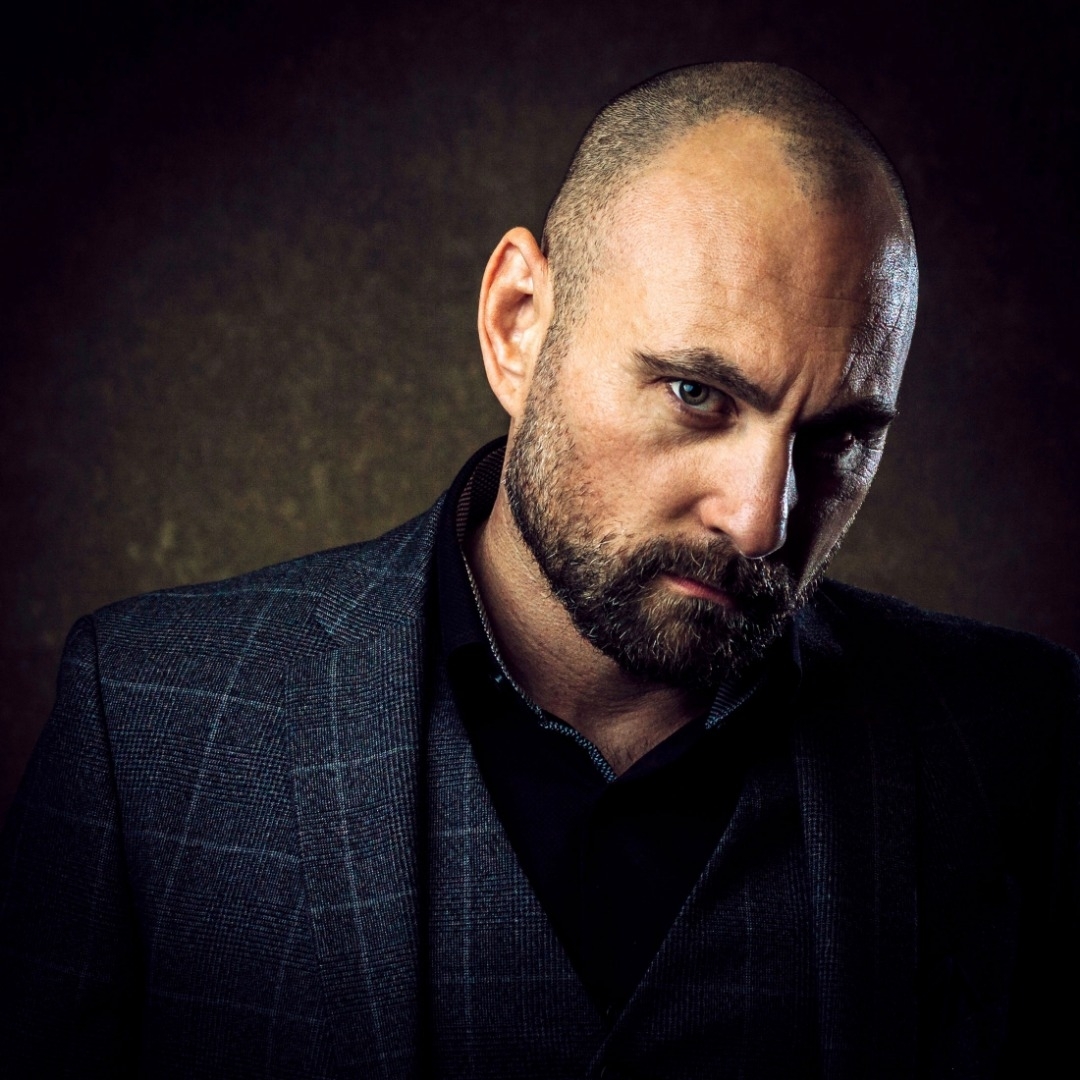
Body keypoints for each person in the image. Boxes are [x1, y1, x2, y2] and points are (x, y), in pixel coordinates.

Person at [0, 61, 1076, 1079]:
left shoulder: (1017, 742)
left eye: (837, 438)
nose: (758, 521)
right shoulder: (149, 723)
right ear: (518, 325)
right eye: (696, 394)